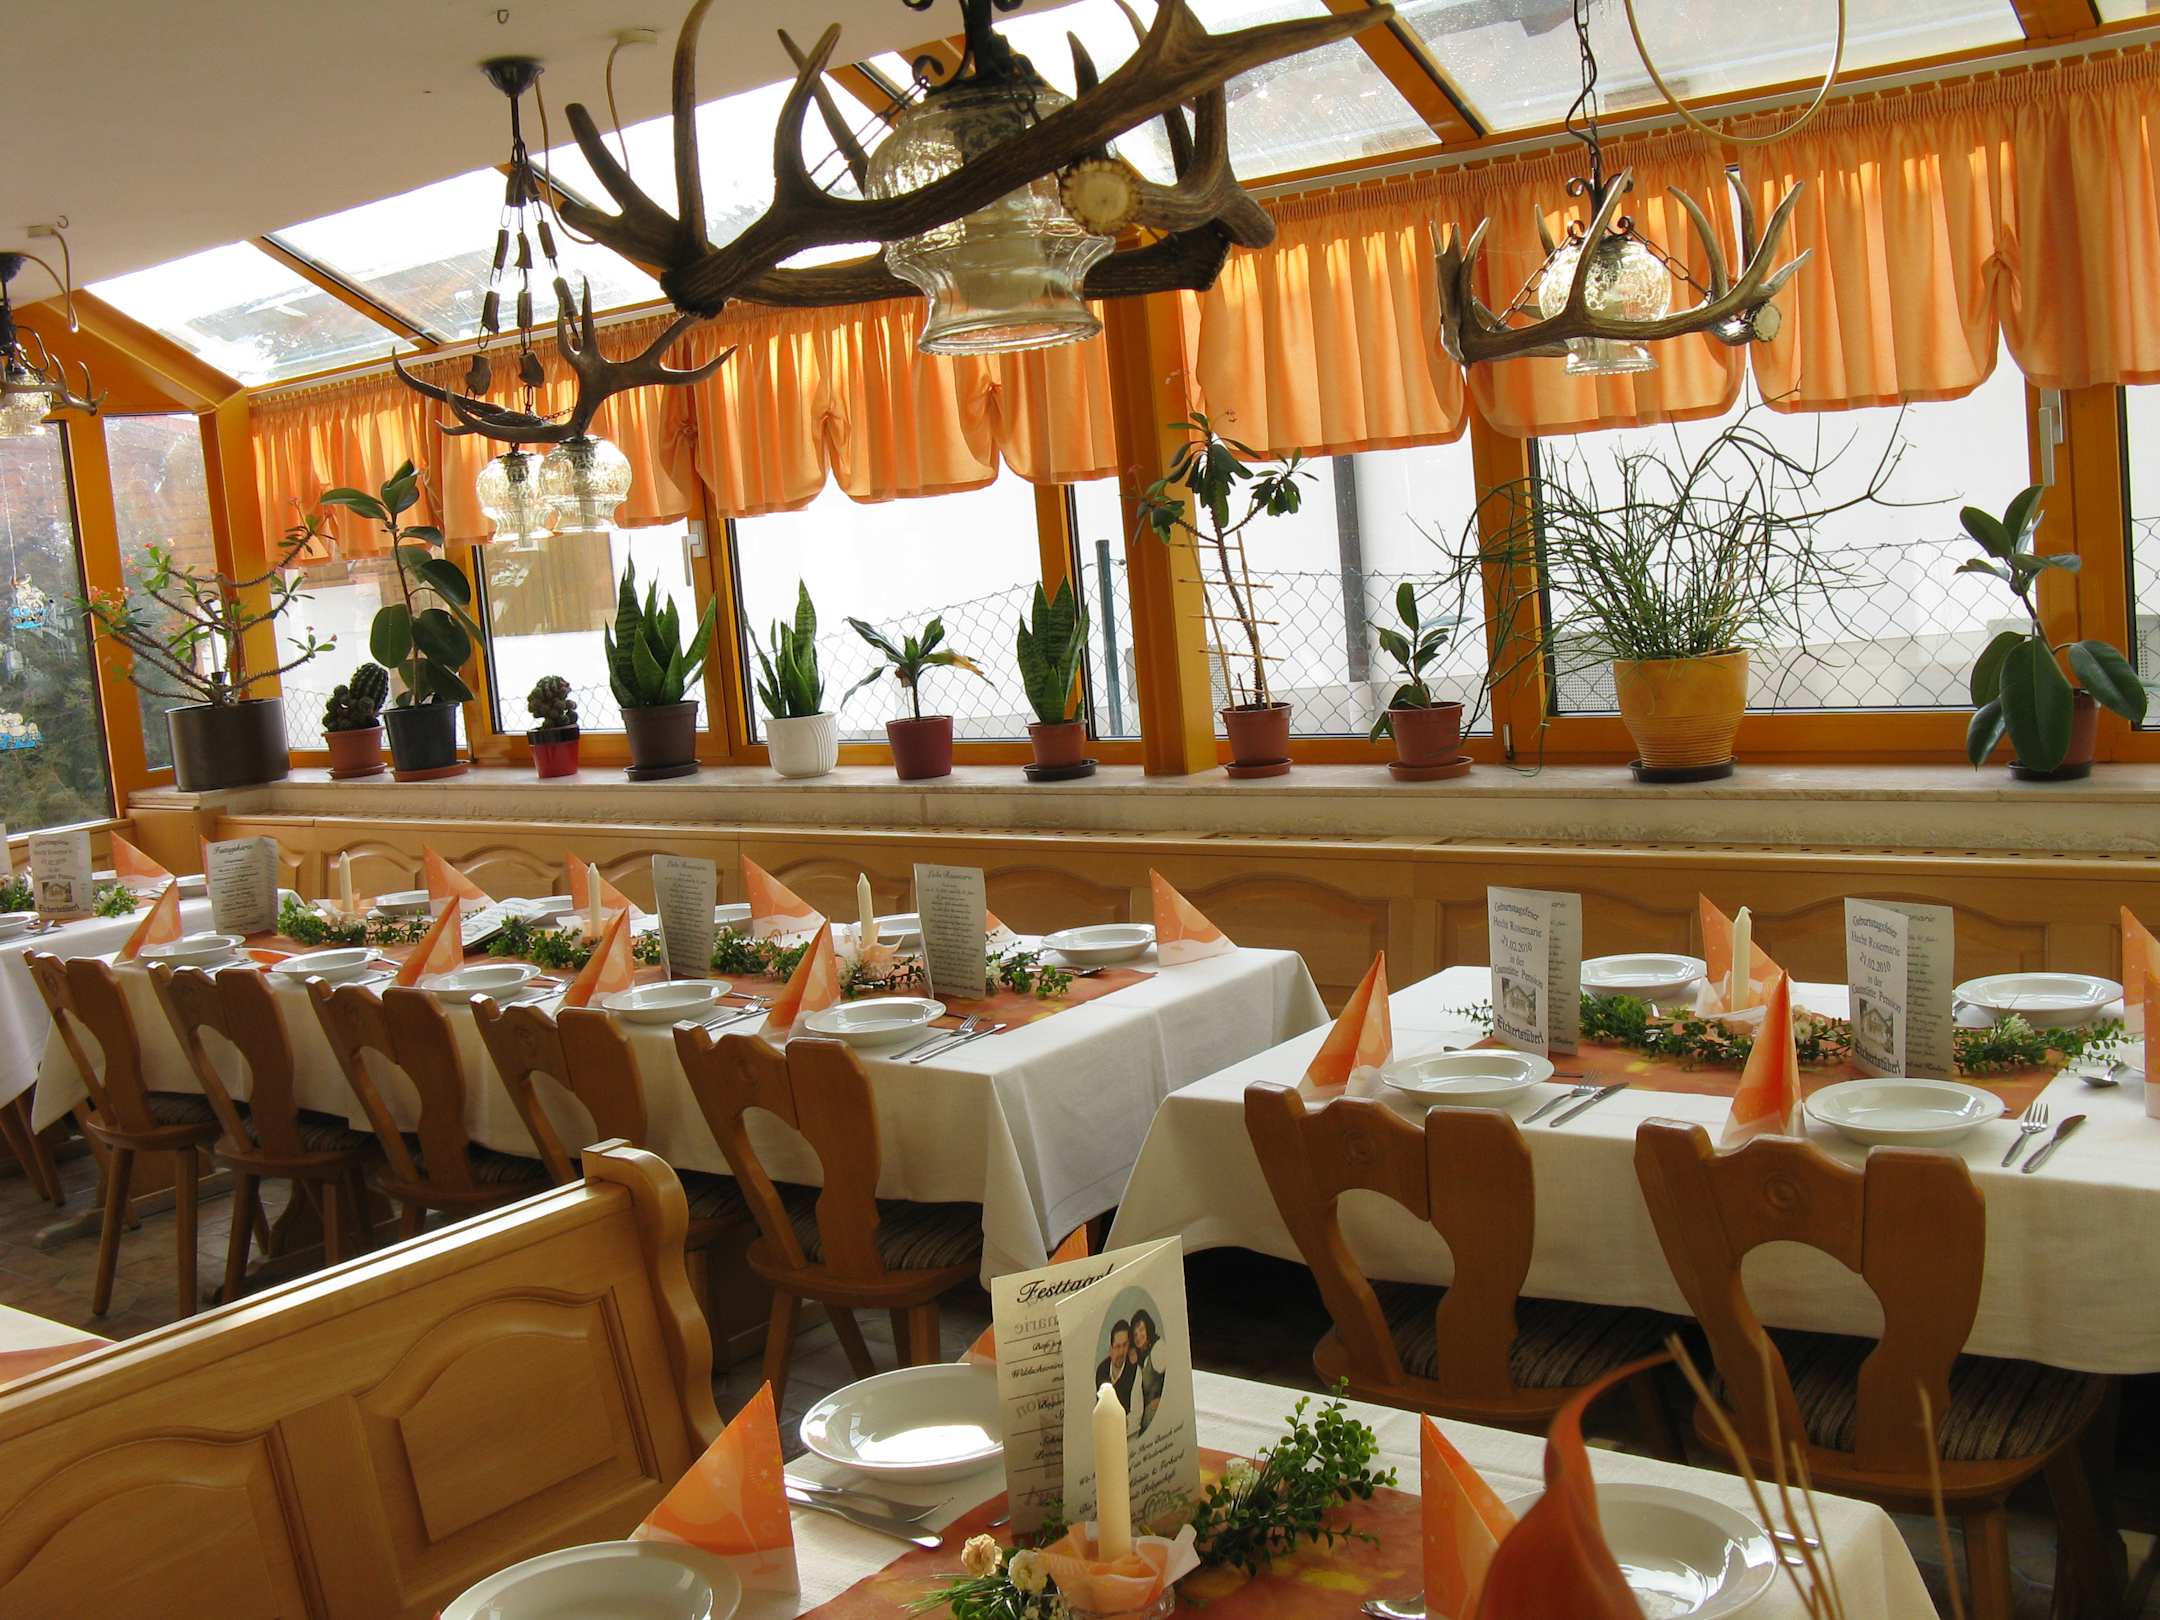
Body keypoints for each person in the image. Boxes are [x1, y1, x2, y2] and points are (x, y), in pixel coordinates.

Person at [1128, 1309, 1166, 1433]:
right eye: (1135, 1334)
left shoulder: (1158, 1349)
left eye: (1141, 1330)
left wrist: (1161, 1400)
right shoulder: (1140, 1356)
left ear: (1148, 1329)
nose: (1138, 1336)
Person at [1095, 1319, 1136, 1413]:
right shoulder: (1101, 1371)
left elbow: (1136, 1414)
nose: (1121, 1352)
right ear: (1111, 1349)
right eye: (1117, 1346)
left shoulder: (1135, 1371)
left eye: (1125, 1345)